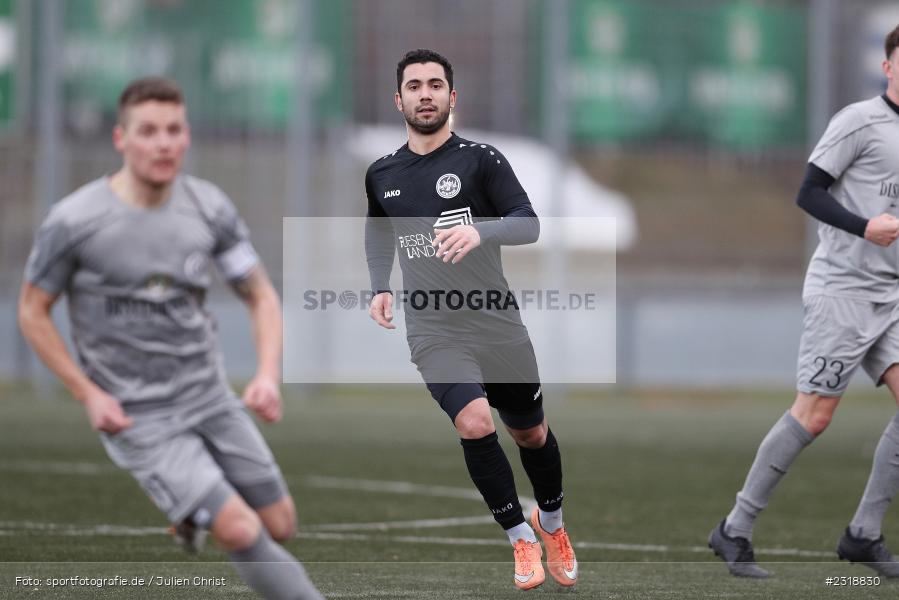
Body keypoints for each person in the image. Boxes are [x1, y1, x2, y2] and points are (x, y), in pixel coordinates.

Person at [18, 77, 323, 600]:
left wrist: (268, 375)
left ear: (187, 136)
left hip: (209, 397)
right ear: (121, 139)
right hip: (139, 415)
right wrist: (88, 393)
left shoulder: (209, 208)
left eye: (174, 130)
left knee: (279, 524)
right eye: (149, 131)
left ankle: (192, 514)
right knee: (240, 530)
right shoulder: (74, 221)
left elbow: (261, 296)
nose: (163, 143)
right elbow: (32, 310)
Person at [364, 49, 578, 591]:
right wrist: (377, 287)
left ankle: (550, 523)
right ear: (400, 100)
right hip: (435, 330)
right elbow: (377, 229)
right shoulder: (382, 174)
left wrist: (482, 230)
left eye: (436, 85)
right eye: (414, 86)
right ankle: (519, 539)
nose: (426, 94)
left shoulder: (482, 160)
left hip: (497, 325)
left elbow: (527, 224)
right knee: (474, 422)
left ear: (451, 97)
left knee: (530, 434)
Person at [709, 25, 899, 579]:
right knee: (815, 416)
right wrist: (866, 227)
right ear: (887, 66)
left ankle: (864, 534)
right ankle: (734, 528)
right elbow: (807, 192)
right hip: (842, 290)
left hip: (892, 295)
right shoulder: (858, 122)